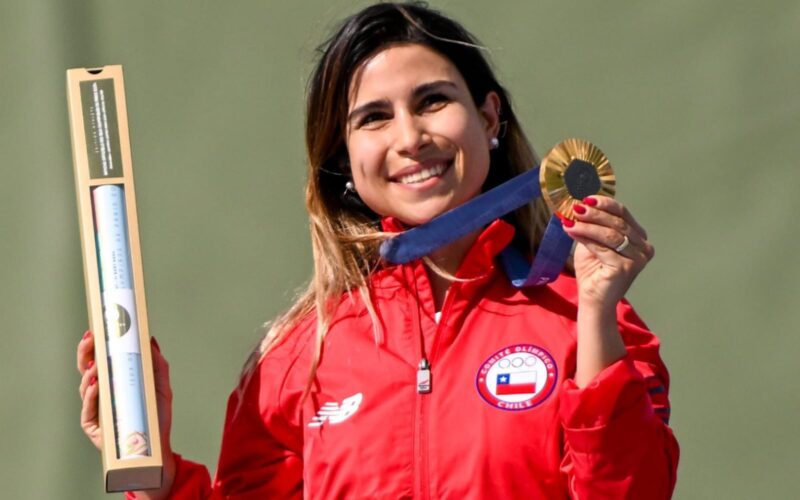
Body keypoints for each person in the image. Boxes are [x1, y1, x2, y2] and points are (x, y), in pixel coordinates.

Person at [77, 2, 679, 498]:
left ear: (489, 117)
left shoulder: (588, 323)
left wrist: (597, 315)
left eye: (432, 101)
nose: (410, 138)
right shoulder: (298, 358)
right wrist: (153, 479)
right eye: (373, 118)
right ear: (343, 159)